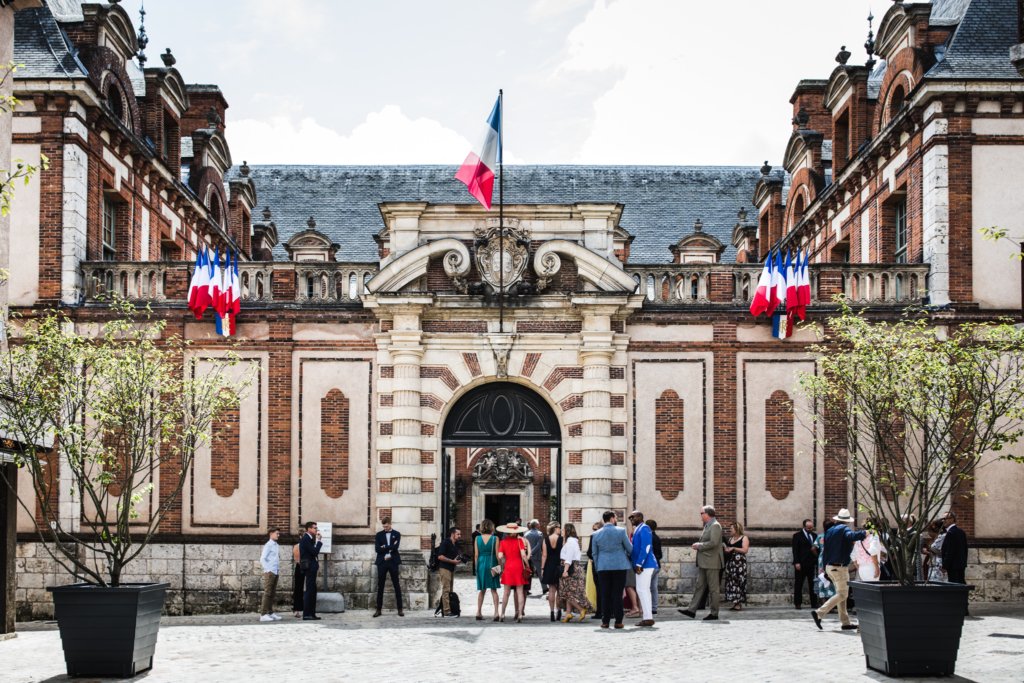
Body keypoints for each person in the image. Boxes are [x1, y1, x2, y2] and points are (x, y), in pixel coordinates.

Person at [812, 509, 866, 631]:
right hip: (839, 567)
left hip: (830, 567)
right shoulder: (844, 529)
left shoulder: (829, 531)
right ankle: (819, 613)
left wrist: (825, 569)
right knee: (842, 594)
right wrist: (865, 533)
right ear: (847, 521)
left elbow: (825, 551)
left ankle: (845, 622)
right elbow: (852, 536)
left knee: (841, 594)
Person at [679, 505, 724, 621]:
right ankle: (691, 610)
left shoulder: (715, 526)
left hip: (713, 562)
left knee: (714, 589)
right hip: (705, 562)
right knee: (699, 586)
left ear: (707, 514)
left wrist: (700, 545)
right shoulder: (708, 525)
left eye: (701, 513)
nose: (700, 515)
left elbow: (714, 543)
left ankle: (714, 613)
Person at [590, 510, 632, 630]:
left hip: (603, 566)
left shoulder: (596, 534)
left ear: (604, 519)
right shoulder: (621, 531)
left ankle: (605, 621)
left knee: (605, 594)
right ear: (613, 518)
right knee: (617, 594)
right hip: (619, 566)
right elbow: (629, 548)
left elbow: (594, 553)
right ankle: (618, 621)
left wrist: (598, 567)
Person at [627, 511, 658, 627]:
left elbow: (646, 547)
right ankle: (648, 617)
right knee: (643, 590)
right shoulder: (638, 529)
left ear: (640, 517)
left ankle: (648, 617)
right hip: (642, 565)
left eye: (632, 517)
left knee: (642, 590)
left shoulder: (644, 528)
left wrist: (639, 563)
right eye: (630, 517)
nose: (631, 519)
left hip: (645, 565)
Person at [497, 521, 530, 622]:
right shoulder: (519, 541)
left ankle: (502, 614)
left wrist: (503, 563)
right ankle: (519, 614)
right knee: (520, 592)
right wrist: (527, 565)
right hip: (519, 566)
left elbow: (500, 556)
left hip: (508, 567)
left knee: (506, 592)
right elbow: (523, 555)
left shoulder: (503, 542)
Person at [559, 523, 591, 621]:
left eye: (563, 529)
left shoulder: (571, 542)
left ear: (567, 531)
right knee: (569, 592)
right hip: (573, 567)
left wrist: (565, 570)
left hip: (571, 568)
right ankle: (568, 613)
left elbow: (568, 558)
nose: (561, 531)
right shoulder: (571, 541)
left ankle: (581, 609)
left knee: (567, 592)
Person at [373, 516, 404, 617]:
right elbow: (377, 549)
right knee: (380, 585)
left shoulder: (397, 534)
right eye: (384, 526)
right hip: (382, 562)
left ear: (390, 524)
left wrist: (384, 546)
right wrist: (389, 547)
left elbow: (396, 547)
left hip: (393, 561)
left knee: (396, 585)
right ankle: (378, 609)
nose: (385, 528)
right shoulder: (378, 535)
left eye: (386, 526)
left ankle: (400, 609)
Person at [474, 519, 501, 621]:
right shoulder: (495, 538)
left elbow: (476, 555)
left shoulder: (477, 538)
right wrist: (500, 566)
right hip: (492, 563)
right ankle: (496, 612)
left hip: (481, 564)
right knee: (494, 590)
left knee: (482, 590)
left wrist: (476, 568)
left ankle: (478, 612)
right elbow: (497, 554)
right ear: (491, 527)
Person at [792, 518, 819, 609]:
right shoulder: (797, 536)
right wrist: (796, 562)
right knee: (799, 584)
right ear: (804, 527)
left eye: (811, 528)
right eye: (808, 528)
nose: (810, 529)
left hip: (812, 563)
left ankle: (814, 603)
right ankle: (798, 603)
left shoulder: (815, 536)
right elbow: (795, 550)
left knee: (813, 584)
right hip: (801, 563)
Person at [299, 521, 323, 620]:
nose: (316, 530)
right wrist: (319, 542)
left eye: (316, 528)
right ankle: (307, 614)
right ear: (309, 529)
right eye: (314, 528)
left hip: (312, 566)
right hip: (309, 567)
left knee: (313, 590)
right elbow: (314, 551)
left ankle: (311, 614)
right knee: (310, 590)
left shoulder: (309, 538)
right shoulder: (306, 539)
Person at [436, 527, 463, 617]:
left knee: (449, 591)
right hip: (444, 568)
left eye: (460, 534)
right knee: (446, 590)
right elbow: (440, 556)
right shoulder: (445, 542)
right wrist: (452, 561)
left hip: (451, 569)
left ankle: (447, 609)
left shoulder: (455, 544)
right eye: (458, 534)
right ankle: (446, 611)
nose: (459, 536)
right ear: (452, 534)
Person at [723, 521, 749, 611]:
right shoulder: (730, 539)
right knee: (731, 583)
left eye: (731, 529)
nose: (730, 530)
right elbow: (728, 549)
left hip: (740, 563)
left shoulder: (744, 538)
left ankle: (738, 603)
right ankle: (735, 603)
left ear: (736, 529)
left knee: (739, 581)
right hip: (731, 563)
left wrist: (734, 548)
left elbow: (745, 550)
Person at [541, 521, 563, 621]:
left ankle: (551, 612)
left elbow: (544, 555)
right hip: (559, 565)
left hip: (549, 565)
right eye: (559, 527)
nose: (560, 529)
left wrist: (542, 568)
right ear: (555, 528)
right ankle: (559, 611)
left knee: (551, 590)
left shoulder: (545, 539)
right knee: (559, 590)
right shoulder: (562, 539)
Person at [259, 527, 282, 622]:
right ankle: (263, 614)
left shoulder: (276, 545)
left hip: (275, 571)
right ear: (271, 533)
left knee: (272, 593)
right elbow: (262, 558)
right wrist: (268, 570)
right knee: (267, 592)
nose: (278, 535)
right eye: (277, 533)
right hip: (270, 572)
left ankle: (270, 612)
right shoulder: (268, 545)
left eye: (278, 533)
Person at [941, 512, 968, 585]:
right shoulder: (961, 532)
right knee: (961, 585)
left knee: (954, 587)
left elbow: (949, 551)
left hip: (953, 566)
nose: (943, 521)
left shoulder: (951, 533)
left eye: (945, 519)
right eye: (942, 519)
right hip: (961, 565)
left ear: (952, 519)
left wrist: (945, 566)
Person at [813, 520, 836, 603]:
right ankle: (831, 604)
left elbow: (813, 548)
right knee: (832, 579)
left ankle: (823, 602)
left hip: (822, 560)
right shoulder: (835, 537)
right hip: (832, 560)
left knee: (822, 579)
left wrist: (819, 556)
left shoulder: (820, 536)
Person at [586, 521, 603, 620]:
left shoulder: (594, 536)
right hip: (608, 565)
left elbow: (589, 552)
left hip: (597, 565)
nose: (594, 531)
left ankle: (600, 612)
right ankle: (610, 611)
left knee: (599, 589)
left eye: (595, 529)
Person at [524, 519, 544, 595]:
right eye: (538, 524)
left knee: (528, 573)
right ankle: (544, 588)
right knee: (540, 573)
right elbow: (539, 545)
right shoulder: (540, 534)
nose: (539, 525)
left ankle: (526, 589)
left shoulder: (526, 534)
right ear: (536, 525)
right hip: (537, 556)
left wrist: (529, 553)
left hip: (528, 556)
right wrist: (532, 552)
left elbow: (525, 545)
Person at [648, 519, 662, 615]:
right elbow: (660, 554)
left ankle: (647, 607)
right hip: (657, 564)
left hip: (649, 564)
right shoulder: (657, 537)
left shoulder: (648, 537)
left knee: (646, 587)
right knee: (654, 587)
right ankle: (654, 608)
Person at [291, 528, 305, 618]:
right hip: (301, 567)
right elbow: (297, 560)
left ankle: (303, 608)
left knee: (304, 588)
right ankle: (297, 609)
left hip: (304, 567)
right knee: (298, 588)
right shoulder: (297, 546)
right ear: (300, 536)